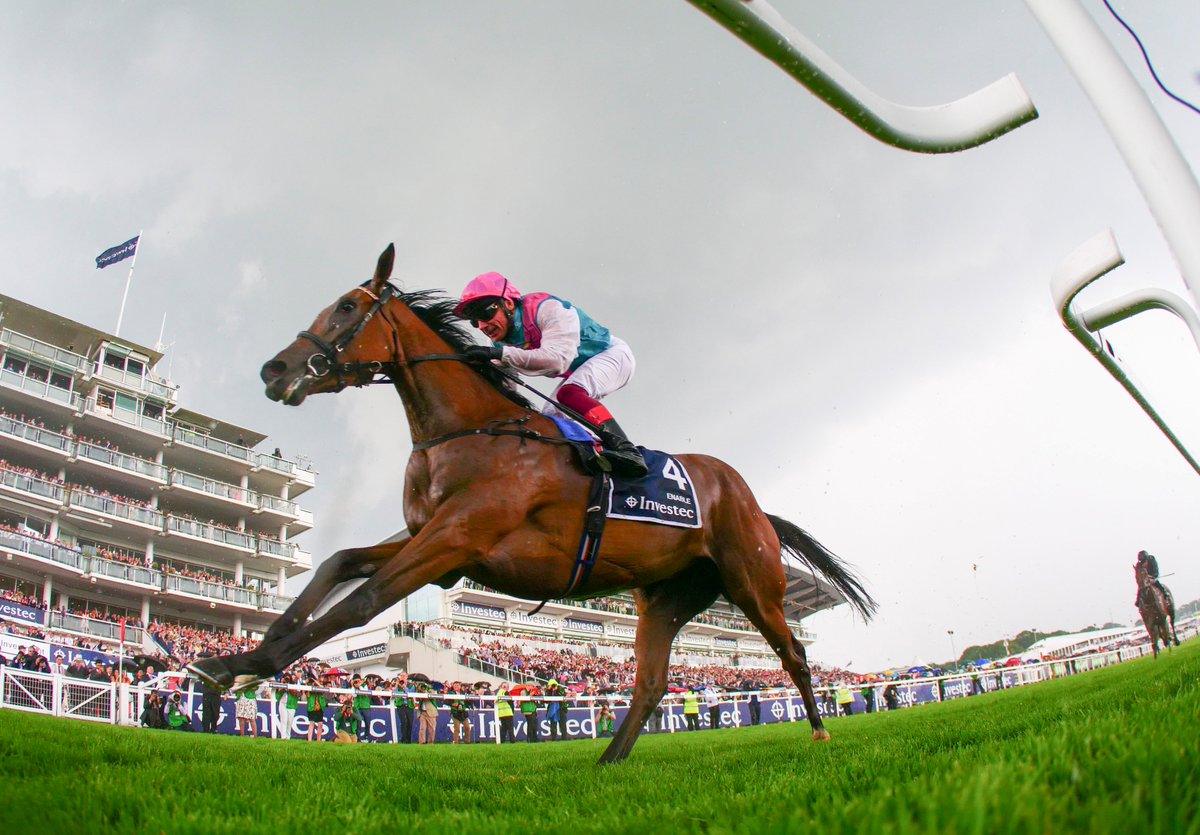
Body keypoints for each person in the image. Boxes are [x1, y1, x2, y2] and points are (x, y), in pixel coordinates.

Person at [455, 273, 648, 478]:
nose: (482, 326)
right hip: (579, 371)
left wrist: (500, 354)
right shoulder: (496, 344)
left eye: (484, 314)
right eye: (474, 322)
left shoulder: (546, 309)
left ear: (508, 303)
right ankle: (595, 455)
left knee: (569, 394)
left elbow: (557, 361)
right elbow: (505, 390)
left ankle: (627, 450)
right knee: (548, 423)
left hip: (613, 355)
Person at [392, 674, 416, 744]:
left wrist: (405, 688)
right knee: (404, 722)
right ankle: (403, 739)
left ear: (406, 677)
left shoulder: (411, 686)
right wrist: (397, 685)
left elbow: (411, 694)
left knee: (410, 723)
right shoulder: (397, 685)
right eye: (401, 676)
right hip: (401, 705)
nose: (402, 678)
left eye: (404, 676)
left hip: (409, 706)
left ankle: (408, 740)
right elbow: (394, 694)